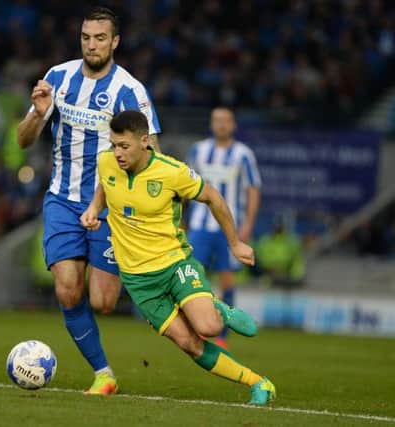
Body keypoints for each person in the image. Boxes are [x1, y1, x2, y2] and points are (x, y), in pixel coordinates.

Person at [80, 110, 275, 405]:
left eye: (124, 146)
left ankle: (218, 310)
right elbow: (106, 186)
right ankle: (259, 383)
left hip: (174, 264)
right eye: (114, 145)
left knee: (209, 327)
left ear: (144, 141)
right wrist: (94, 208)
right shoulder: (107, 161)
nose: (117, 153)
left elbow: (213, 197)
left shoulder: (172, 172)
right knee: (190, 344)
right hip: (138, 281)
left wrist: (235, 243)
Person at [16, 6, 161, 395]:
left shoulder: (129, 91)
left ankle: (153, 290)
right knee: (67, 288)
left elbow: (154, 156)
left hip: (112, 207)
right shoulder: (57, 78)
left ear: (115, 42)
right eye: (85, 37)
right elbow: (23, 139)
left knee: (104, 301)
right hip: (62, 199)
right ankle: (103, 374)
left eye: (100, 38)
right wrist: (39, 114)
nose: (91, 45)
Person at [185, 107, 261, 349]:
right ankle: (196, 327)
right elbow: (183, 186)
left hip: (229, 227)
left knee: (227, 279)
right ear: (211, 123)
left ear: (233, 125)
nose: (221, 124)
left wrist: (248, 223)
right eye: (217, 120)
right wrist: (180, 220)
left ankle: (222, 337)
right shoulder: (198, 150)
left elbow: (253, 189)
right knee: (194, 276)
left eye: (226, 120)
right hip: (199, 224)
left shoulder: (243, 154)